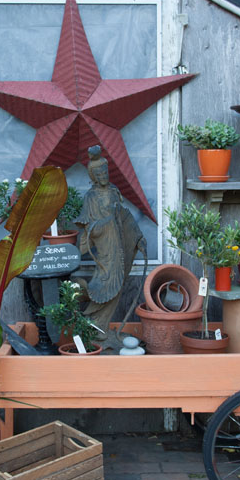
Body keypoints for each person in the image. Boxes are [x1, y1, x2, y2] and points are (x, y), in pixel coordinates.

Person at [75, 146, 146, 345]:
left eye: (105, 172)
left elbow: (124, 217)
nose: (103, 176)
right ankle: (92, 324)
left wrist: (138, 237)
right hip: (105, 247)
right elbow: (90, 227)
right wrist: (107, 222)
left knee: (119, 282)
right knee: (106, 283)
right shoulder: (91, 197)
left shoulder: (114, 191)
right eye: (98, 174)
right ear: (93, 176)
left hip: (120, 245)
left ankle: (102, 327)